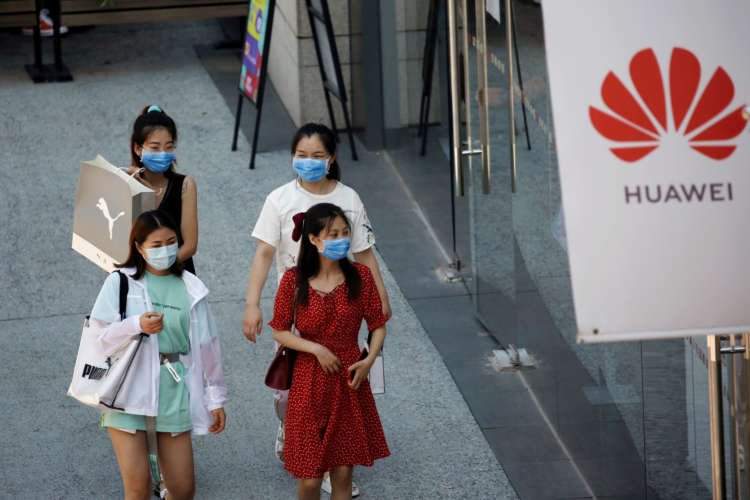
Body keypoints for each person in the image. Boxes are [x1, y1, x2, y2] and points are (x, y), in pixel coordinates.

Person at [242, 123, 390, 496]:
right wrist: (252, 304)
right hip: (299, 311)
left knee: (342, 407)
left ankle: (328, 459)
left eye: (317, 156)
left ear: (332, 158)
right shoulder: (279, 199)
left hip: (344, 299)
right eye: (302, 156)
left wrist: (381, 299)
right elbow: (264, 253)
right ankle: (295, 437)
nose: (308, 163)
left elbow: (365, 252)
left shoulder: (349, 199)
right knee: (290, 391)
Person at [89, 210, 226, 499]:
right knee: (137, 488)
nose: (165, 250)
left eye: (171, 241)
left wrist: (215, 398)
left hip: (173, 390)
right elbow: (97, 339)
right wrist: (135, 325)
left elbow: (207, 347)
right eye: (155, 244)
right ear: (138, 248)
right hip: (127, 392)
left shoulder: (192, 287)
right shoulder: (120, 282)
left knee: (183, 488)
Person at [269, 203, 390, 500]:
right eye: (332, 234)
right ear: (313, 239)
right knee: (309, 479)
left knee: (343, 474)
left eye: (345, 233)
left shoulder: (359, 276)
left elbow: (378, 325)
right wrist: (316, 349)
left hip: (349, 380)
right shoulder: (293, 280)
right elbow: (280, 330)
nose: (341, 240)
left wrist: (369, 360)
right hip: (307, 382)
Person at [128, 105, 198, 274]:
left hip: (176, 272)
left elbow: (190, 245)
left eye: (168, 147)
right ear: (138, 149)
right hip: (137, 278)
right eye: (154, 147)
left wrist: (159, 272)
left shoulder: (185, 185)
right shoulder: (125, 184)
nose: (163, 153)